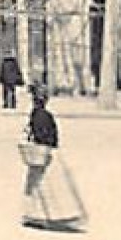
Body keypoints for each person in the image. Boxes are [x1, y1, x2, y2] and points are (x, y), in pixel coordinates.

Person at [22, 87, 87, 230]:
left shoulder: (35, 115)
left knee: (37, 187)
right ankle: (50, 215)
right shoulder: (45, 116)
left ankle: (35, 214)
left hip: (38, 153)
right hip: (46, 152)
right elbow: (50, 136)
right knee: (50, 186)